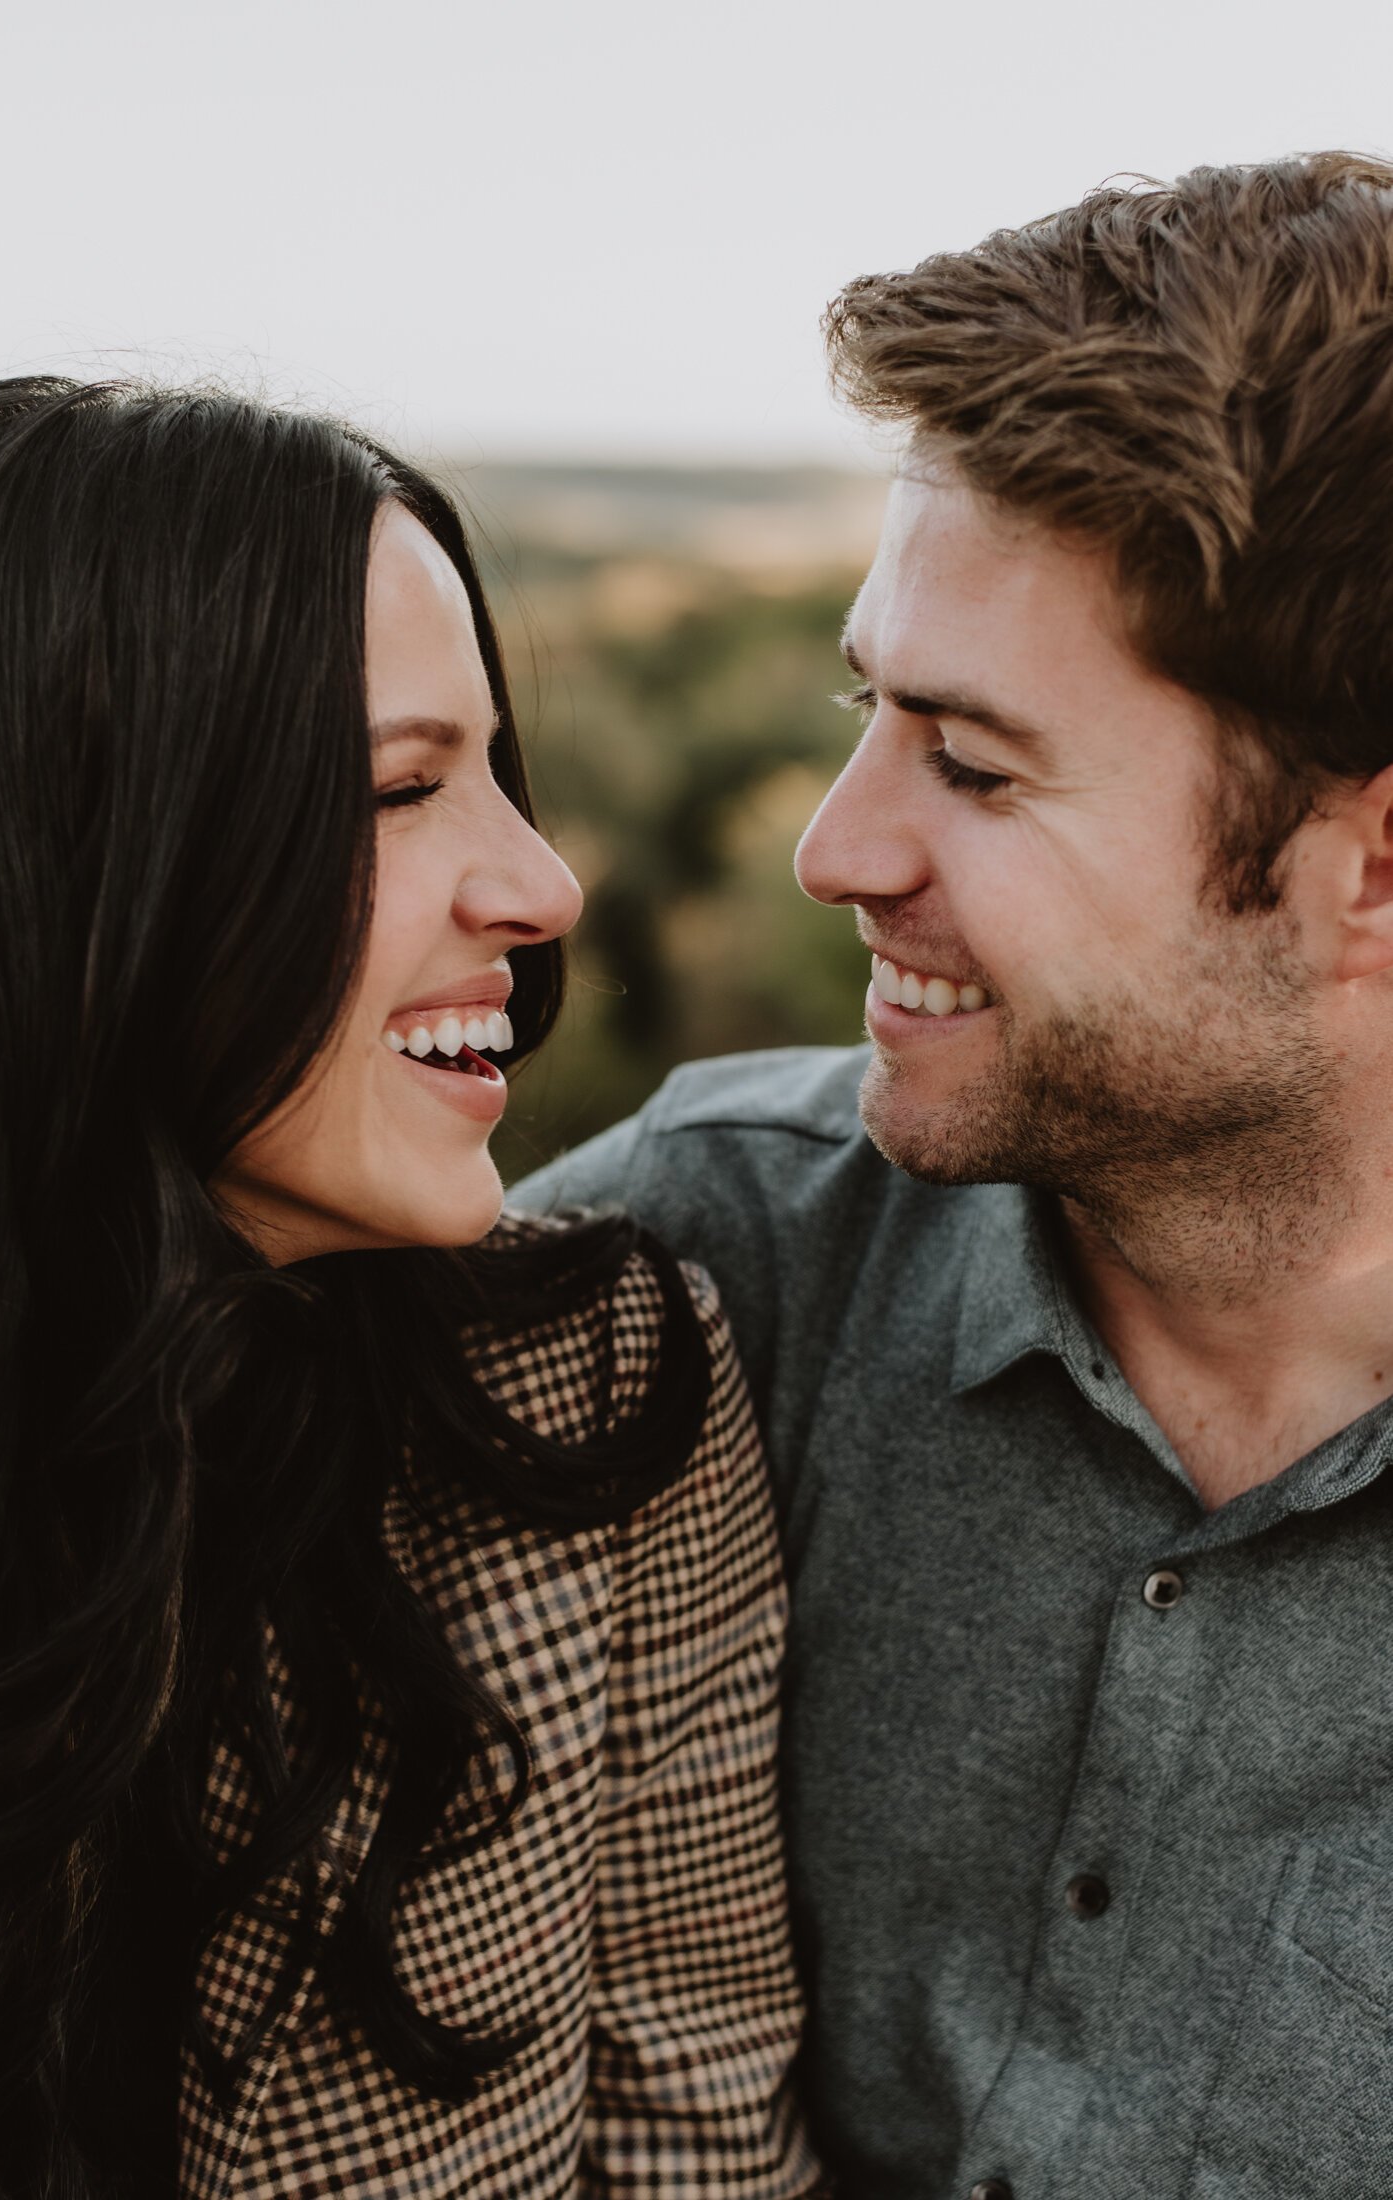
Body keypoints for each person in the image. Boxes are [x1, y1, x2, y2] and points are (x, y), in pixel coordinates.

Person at [514, 152, 1393, 2200]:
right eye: (866, 708)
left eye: (975, 766)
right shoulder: (704, 1259)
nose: (837, 847)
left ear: (1370, 876)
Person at [0, 378, 828, 2200]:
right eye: (404, 787)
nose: (545, 880)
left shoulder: (592, 1401)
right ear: (91, 844)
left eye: (502, 771)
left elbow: (699, 2146)